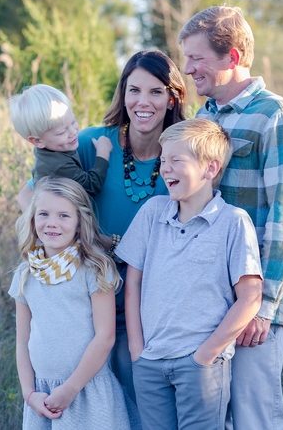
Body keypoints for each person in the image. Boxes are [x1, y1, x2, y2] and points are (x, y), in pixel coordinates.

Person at [179, 6, 283, 430]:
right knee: (214, 418)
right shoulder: (204, 119)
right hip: (208, 297)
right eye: (187, 58)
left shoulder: (276, 116)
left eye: (197, 58)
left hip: (254, 305)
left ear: (232, 57)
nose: (187, 68)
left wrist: (265, 305)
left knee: (256, 417)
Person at [115, 119, 263, 430]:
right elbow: (134, 284)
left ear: (210, 169)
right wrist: (137, 352)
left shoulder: (233, 223)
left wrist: (205, 356)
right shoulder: (153, 214)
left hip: (199, 366)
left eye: (176, 161)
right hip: (150, 362)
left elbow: (250, 297)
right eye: (163, 160)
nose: (165, 169)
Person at [77, 50, 187, 401]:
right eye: (134, 90)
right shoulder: (93, 143)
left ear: (172, 98)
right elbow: (33, 199)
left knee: (138, 399)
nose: (144, 102)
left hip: (149, 306)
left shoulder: (183, 157)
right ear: (122, 94)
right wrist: (82, 241)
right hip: (88, 299)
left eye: (156, 92)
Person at [9, 177, 140, 429]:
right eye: (44, 214)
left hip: (87, 389)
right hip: (42, 395)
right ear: (32, 219)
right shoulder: (25, 274)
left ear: (80, 223)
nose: (52, 223)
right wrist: (29, 394)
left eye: (63, 216)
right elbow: (22, 340)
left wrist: (69, 389)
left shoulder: (94, 269)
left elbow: (105, 337)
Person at [9, 84, 113, 209]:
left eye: (73, 122)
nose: (73, 132)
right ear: (37, 141)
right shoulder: (59, 165)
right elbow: (92, 186)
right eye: (62, 132)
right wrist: (103, 152)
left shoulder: (50, 149)